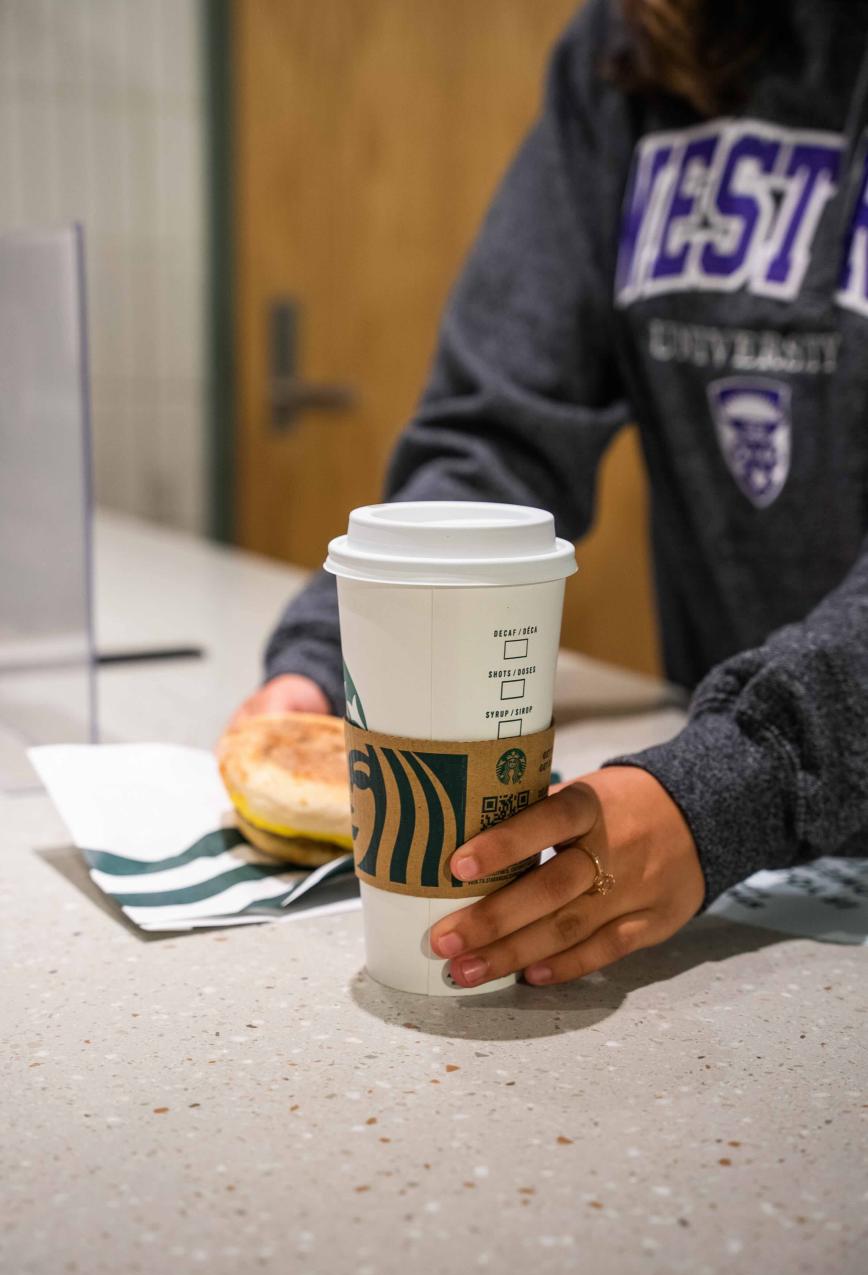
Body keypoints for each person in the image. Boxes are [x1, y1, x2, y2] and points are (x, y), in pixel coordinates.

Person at [233, 0, 868, 988]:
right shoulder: (635, 47)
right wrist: (334, 656)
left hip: (738, 796)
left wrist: (739, 776)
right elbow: (499, 430)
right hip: (748, 864)